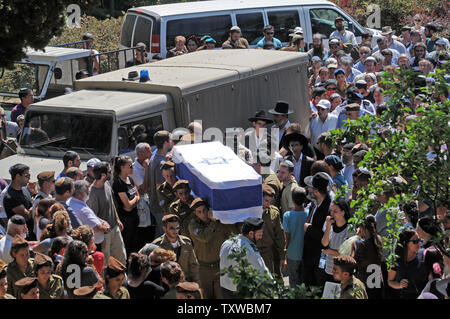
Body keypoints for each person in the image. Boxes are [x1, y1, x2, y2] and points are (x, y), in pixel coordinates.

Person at [188, 197, 238, 299]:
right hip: (203, 268)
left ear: (209, 210)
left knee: (222, 296)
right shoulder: (193, 225)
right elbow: (204, 237)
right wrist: (213, 222)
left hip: (220, 266)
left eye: (205, 210)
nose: (203, 214)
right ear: (195, 213)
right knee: (205, 296)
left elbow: (234, 234)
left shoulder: (220, 223)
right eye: (199, 212)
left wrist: (222, 219)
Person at [219, 217, 272, 298]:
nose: (260, 237)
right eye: (259, 234)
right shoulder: (250, 250)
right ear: (251, 234)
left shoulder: (226, 243)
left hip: (225, 290)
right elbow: (262, 272)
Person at [87, 161, 127, 268]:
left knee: (121, 256)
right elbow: (92, 216)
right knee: (105, 263)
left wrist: (117, 219)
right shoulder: (92, 193)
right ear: (103, 175)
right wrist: (103, 228)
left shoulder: (107, 183)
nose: (112, 173)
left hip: (115, 228)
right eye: (110, 171)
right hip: (104, 233)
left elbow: (111, 202)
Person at [303, 172, 331, 287]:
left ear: (316, 191)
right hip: (309, 257)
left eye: (310, 187)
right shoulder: (315, 203)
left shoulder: (329, 209)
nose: (307, 189)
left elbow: (326, 237)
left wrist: (309, 229)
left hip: (318, 260)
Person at [152, 214, 199, 283]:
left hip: (185, 283)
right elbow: (154, 267)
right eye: (172, 228)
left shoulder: (186, 242)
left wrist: (196, 283)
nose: (175, 230)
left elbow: (194, 265)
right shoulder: (157, 245)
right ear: (164, 228)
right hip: (167, 285)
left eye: (177, 227)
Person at [112, 155, 140, 257]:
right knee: (126, 246)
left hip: (134, 217)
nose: (132, 167)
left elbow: (138, 196)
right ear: (122, 167)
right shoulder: (118, 183)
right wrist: (135, 199)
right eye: (130, 165)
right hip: (126, 220)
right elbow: (127, 206)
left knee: (134, 244)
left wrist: (134, 200)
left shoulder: (130, 179)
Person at [68, 180, 110, 249]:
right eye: (87, 189)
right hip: (93, 245)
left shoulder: (71, 201)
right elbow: (96, 228)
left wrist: (102, 221)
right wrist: (107, 229)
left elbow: (93, 216)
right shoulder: (82, 210)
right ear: (80, 194)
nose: (89, 191)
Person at [388, 227, 427, 299]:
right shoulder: (396, 260)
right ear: (405, 243)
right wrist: (399, 285)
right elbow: (390, 281)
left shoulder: (424, 254)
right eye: (415, 241)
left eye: (419, 240)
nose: (419, 243)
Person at [321, 197, 353, 285]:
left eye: (335, 211)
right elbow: (324, 243)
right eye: (331, 211)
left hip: (342, 272)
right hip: (329, 268)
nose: (332, 214)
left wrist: (330, 251)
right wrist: (328, 226)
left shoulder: (350, 230)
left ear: (343, 212)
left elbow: (347, 255)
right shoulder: (329, 224)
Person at [148, 130, 174, 238]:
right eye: (170, 140)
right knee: (165, 237)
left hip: (155, 205)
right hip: (160, 208)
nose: (172, 142)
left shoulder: (155, 157)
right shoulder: (161, 164)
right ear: (165, 143)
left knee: (159, 234)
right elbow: (160, 187)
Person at [282, 186, 308, 288]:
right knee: (300, 282)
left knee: (288, 281)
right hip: (304, 254)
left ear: (292, 199)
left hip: (291, 254)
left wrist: (283, 254)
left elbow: (286, 236)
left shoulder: (287, 215)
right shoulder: (308, 213)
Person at [257, 185, 285, 277]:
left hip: (267, 254)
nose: (268, 204)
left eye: (270, 201)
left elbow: (280, 236)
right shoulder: (250, 212)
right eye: (266, 200)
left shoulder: (274, 213)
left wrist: (282, 256)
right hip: (252, 252)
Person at [352, 214, 383, 299]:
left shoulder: (361, 244)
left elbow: (354, 262)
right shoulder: (379, 240)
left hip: (365, 281)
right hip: (376, 280)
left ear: (363, 228)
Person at [4, 164, 36, 239]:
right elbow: (27, 216)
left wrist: (35, 194)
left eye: (29, 175)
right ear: (18, 176)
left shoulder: (24, 189)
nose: (29, 178)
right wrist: (36, 202)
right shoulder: (11, 197)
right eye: (27, 175)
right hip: (20, 237)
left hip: (29, 233)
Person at [131, 143, 154, 249]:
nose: (151, 153)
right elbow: (144, 189)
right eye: (148, 151)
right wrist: (147, 169)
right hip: (142, 205)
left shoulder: (150, 161)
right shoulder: (135, 169)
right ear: (140, 154)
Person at [31, 171, 55, 238]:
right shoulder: (39, 201)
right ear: (45, 184)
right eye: (53, 181)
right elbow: (38, 223)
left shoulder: (48, 196)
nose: (55, 183)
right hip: (42, 236)